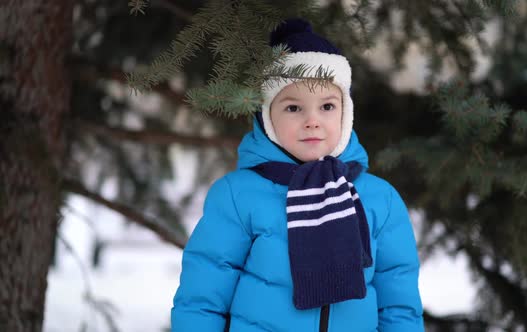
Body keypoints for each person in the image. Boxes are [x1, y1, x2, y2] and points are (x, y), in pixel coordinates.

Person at [171, 18, 424, 332]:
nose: (312, 121)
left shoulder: (380, 199)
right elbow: (202, 297)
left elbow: (398, 304)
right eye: (293, 108)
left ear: (346, 113)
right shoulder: (238, 196)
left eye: (327, 106)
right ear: (267, 117)